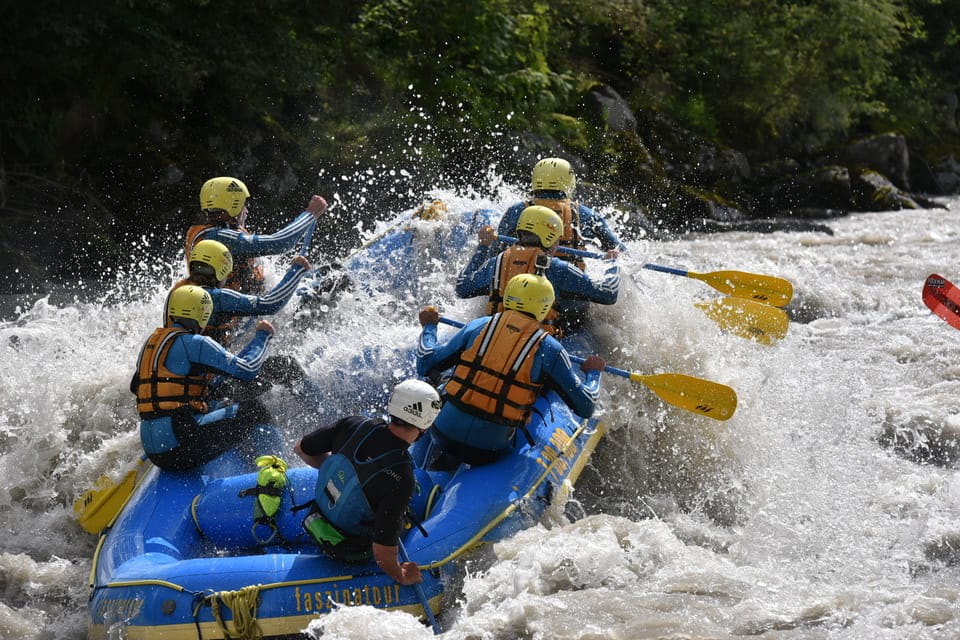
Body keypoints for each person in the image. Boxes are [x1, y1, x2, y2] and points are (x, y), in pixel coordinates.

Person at [417, 273, 605, 466]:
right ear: (545, 307)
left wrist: (430, 327)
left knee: (444, 383)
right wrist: (593, 373)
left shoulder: (477, 326)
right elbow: (585, 406)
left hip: (441, 433)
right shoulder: (550, 349)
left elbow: (426, 363)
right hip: (488, 449)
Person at [293, 379, 442, 585]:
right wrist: (401, 575)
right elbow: (381, 554)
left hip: (316, 517)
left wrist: (344, 475)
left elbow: (301, 448)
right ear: (426, 422)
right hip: (349, 547)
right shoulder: (402, 476)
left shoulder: (354, 424)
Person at [131, 285, 277, 471]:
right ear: (203, 314)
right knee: (255, 410)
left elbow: (137, 387)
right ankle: (278, 472)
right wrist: (262, 336)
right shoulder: (196, 343)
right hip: (181, 448)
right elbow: (248, 369)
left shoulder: (150, 344)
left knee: (215, 404)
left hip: (154, 451)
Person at [457, 205, 620, 333]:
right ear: (552, 240)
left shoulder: (495, 262)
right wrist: (613, 263)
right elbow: (608, 293)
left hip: (494, 335)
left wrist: (482, 247)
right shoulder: (557, 268)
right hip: (536, 346)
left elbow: (462, 288)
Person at [185, 176, 327, 294]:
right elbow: (281, 242)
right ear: (232, 205)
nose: (246, 211)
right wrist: (310, 214)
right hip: (244, 320)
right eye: (243, 205)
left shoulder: (209, 234)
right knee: (331, 285)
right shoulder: (220, 238)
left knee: (326, 275)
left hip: (249, 311)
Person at [171, 238, 311, 348]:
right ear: (221, 271)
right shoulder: (217, 297)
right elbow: (270, 304)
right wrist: (296, 271)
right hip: (208, 381)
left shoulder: (177, 293)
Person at [496, 157, 625, 264]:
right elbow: (620, 251)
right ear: (570, 182)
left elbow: (495, 251)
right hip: (570, 285)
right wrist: (613, 256)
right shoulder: (586, 215)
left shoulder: (516, 211)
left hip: (523, 280)